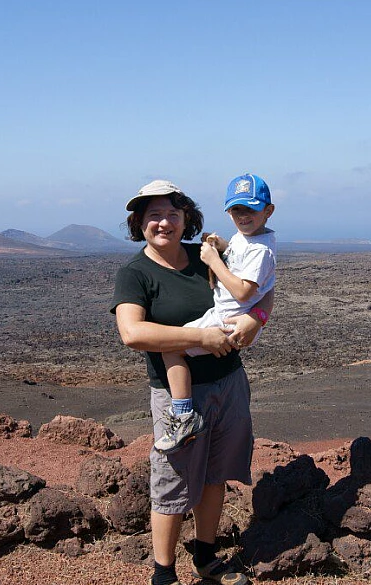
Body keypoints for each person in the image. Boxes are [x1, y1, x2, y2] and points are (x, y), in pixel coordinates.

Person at [112, 179, 270, 585]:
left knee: (215, 474)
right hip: (177, 395)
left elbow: (258, 289)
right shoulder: (135, 274)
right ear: (139, 223)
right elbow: (133, 334)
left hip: (229, 382)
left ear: (186, 219)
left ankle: (206, 557)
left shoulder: (207, 259)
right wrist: (200, 337)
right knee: (173, 481)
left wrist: (257, 319)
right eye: (154, 216)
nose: (164, 223)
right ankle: (164, 575)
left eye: (172, 214)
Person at [155, 173, 276, 454]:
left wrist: (212, 261)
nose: (243, 216)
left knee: (171, 349)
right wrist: (223, 247)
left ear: (268, 211)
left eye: (251, 209)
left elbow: (244, 291)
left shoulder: (261, 250)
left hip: (226, 320)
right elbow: (240, 259)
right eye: (236, 210)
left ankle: (184, 416)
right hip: (230, 316)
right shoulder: (250, 239)